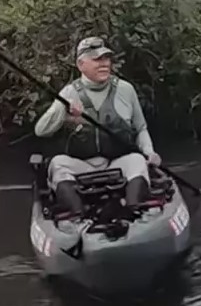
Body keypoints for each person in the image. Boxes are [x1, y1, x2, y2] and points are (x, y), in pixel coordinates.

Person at [34, 36, 162, 217]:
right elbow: (41, 131)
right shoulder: (69, 93)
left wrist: (149, 152)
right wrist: (63, 110)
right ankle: (76, 214)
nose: (104, 64)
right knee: (57, 163)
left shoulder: (126, 90)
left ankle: (135, 208)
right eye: (97, 59)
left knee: (137, 160)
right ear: (81, 64)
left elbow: (140, 128)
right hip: (82, 166)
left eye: (106, 58)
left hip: (117, 163)